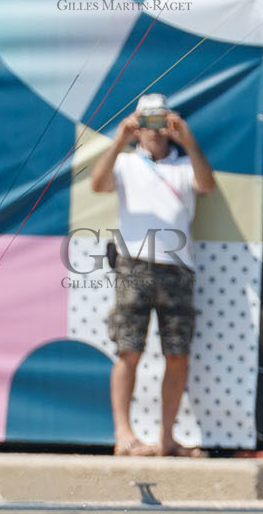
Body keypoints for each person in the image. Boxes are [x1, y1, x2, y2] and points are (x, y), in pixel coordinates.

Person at [89, 93, 215, 457]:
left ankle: (166, 439)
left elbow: (206, 186)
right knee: (128, 349)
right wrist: (119, 139)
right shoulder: (126, 162)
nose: (155, 132)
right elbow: (97, 184)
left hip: (178, 267)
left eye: (160, 122)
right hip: (134, 264)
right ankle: (124, 436)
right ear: (137, 126)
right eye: (147, 123)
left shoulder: (183, 164)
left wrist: (187, 140)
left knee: (178, 354)